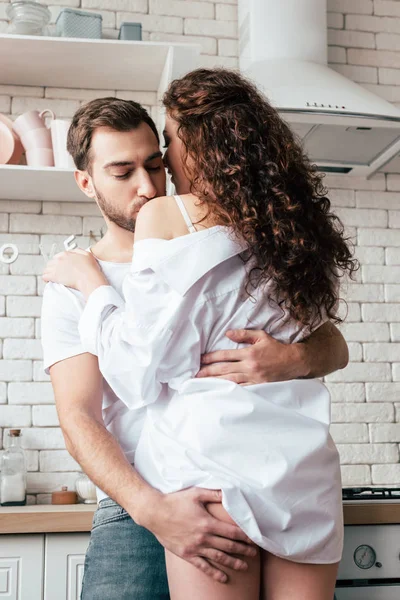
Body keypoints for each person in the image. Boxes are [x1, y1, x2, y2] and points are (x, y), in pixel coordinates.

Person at [42, 91, 350, 599]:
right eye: (122, 172)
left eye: (156, 162)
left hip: (225, 474)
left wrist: (289, 357)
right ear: (86, 182)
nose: (146, 186)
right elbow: (79, 418)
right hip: (135, 502)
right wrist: (153, 510)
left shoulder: (217, 235)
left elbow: (330, 343)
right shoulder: (69, 284)